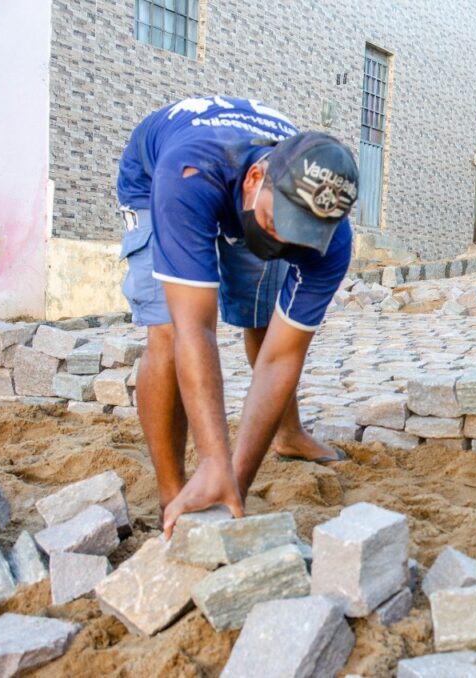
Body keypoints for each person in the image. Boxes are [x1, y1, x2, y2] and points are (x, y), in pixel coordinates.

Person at [116, 96, 357, 537]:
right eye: (278, 224)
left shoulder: (330, 237)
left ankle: (286, 436)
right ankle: (173, 497)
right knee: (169, 331)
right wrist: (213, 459)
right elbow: (195, 328)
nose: (283, 244)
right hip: (161, 179)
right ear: (255, 179)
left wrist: (235, 484)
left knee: (262, 318)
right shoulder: (187, 174)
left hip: (241, 189)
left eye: (301, 237)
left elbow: (282, 357)